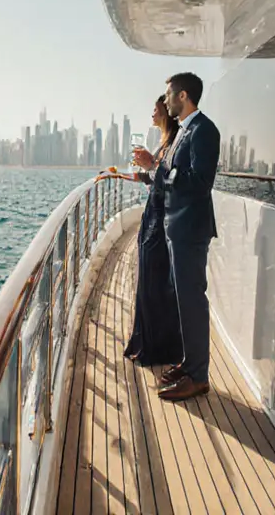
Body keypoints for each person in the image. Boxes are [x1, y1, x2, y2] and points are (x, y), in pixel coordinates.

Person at [132, 72, 219, 402]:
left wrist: (156, 166)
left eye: (169, 95)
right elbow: (169, 177)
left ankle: (198, 377)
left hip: (190, 230)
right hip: (176, 228)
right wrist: (154, 168)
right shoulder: (185, 130)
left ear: (183, 96)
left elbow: (200, 181)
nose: (165, 101)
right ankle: (190, 363)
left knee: (192, 302)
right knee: (183, 301)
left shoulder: (204, 131)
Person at [101, 96, 183, 366]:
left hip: (161, 218)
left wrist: (151, 165)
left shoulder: (175, 143)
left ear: (165, 113)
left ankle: (159, 348)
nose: (152, 113)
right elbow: (150, 177)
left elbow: (171, 180)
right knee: (147, 280)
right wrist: (119, 175)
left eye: (156, 109)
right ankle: (144, 341)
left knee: (155, 282)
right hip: (152, 214)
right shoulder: (164, 143)